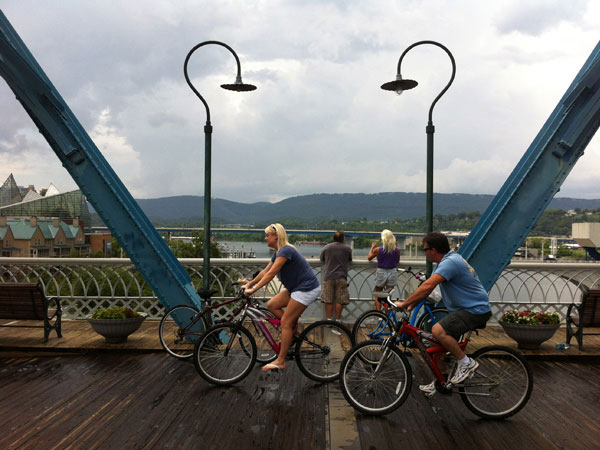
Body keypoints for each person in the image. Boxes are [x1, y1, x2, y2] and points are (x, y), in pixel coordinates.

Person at [394, 232, 491, 393]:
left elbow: (427, 286)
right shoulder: (445, 262)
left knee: (437, 330)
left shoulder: (450, 263)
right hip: (465, 309)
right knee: (434, 342)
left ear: (434, 250)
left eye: (425, 250)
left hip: (475, 310)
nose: (424, 253)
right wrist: (411, 304)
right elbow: (428, 291)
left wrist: (404, 303)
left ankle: (466, 363)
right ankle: (441, 380)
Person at [243, 223, 321, 372]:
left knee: (285, 322)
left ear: (276, 236)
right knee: (272, 305)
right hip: (296, 288)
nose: (265, 238)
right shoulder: (278, 252)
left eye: (267, 235)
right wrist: (249, 284)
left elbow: (272, 274)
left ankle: (281, 360)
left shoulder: (286, 251)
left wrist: (253, 290)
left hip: (307, 288)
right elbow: (265, 272)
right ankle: (292, 330)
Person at [320, 231, 352, 321]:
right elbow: (350, 259)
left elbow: (321, 258)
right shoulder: (347, 248)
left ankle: (329, 319)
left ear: (333, 238)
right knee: (340, 300)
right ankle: (338, 320)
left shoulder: (326, 247)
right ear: (343, 239)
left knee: (328, 299)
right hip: (342, 277)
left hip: (329, 276)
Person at [367, 229, 400, 311]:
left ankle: (379, 315)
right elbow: (397, 261)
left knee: (378, 294)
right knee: (388, 296)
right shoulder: (397, 250)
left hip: (381, 272)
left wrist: (372, 248)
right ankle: (386, 317)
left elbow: (369, 257)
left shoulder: (379, 250)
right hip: (392, 272)